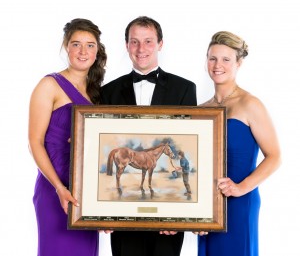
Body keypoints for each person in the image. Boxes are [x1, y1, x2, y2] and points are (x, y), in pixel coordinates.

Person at [100, 16, 197, 256]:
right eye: (134, 42)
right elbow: (100, 145)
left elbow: (191, 146)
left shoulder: (184, 89)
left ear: (161, 44)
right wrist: (101, 208)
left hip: (169, 221)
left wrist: (182, 217)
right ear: (126, 45)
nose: (141, 49)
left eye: (148, 41)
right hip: (122, 217)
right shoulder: (108, 91)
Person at [197, 31, 281, 256]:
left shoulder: (250, 104)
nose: (217, 65)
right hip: (209, 205)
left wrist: (240, 188)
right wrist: (195, 209)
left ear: (239, 63)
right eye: (212, 58)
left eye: (226, 59)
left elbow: (274, 156)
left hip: (240, 202)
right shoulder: (201, 109)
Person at [28, 18, 107, 256]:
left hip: (85, 193)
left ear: (97, 50)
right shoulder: (49, 85)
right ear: (66, 46)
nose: (83, 51)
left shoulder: (97, 93)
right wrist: (60, 188)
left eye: (90, 45)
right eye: (76, 44)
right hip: (55, 190)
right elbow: (35, 142)